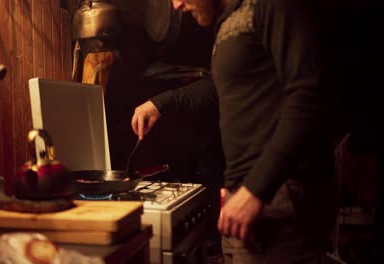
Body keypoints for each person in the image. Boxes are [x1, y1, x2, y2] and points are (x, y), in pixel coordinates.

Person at [132, 0, 338, 263]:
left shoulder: (272, 6)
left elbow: (309, 96)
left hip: (279, 197)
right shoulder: (230, 20)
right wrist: (162, 103)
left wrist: (255, 190)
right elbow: (221, 87)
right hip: (246, 197)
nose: (176, 5)